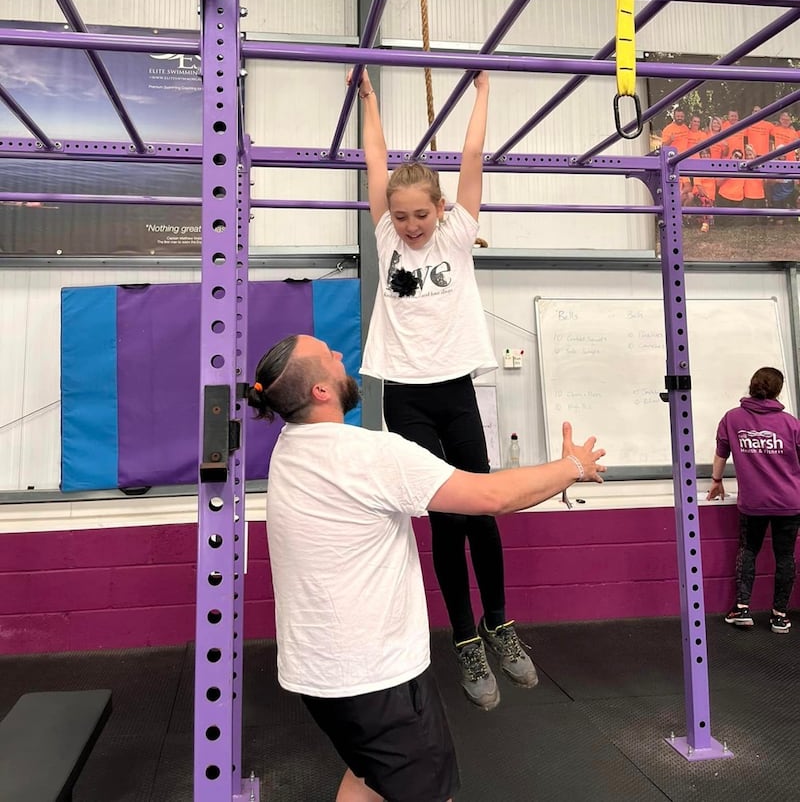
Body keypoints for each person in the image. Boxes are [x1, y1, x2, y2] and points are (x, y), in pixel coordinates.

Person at [248, 333, 605, 802]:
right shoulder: (371, 455)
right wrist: (572, 466)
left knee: (367, 776)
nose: (339, 356)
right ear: (319, 391)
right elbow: (491, 498)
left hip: (316, 677)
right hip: (375, 681)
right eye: (328, 356)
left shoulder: (290, 448)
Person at [356, 66, 537, 711]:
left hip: (455, 389)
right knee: (444, 517)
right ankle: (464, 638)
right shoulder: (384, 237)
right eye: (400, 216)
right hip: (404, 393)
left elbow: (469, 159)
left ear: (441, 210)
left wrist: (482, 95)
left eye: (418, 215)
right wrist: (369, 101)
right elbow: (375, 161)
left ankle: (500, 623)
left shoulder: (458, 232)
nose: (408, 225)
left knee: (479, 507)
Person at [707, 366, 800, 634]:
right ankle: (779, 617)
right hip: (789, 503)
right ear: (778, 391)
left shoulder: (732, 418)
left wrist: (716, 481)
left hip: (754, 503)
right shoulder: (791, 424)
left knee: (748, 551)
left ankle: (742, 609)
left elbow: (721, 453)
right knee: (785, 556)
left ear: (751, 386)